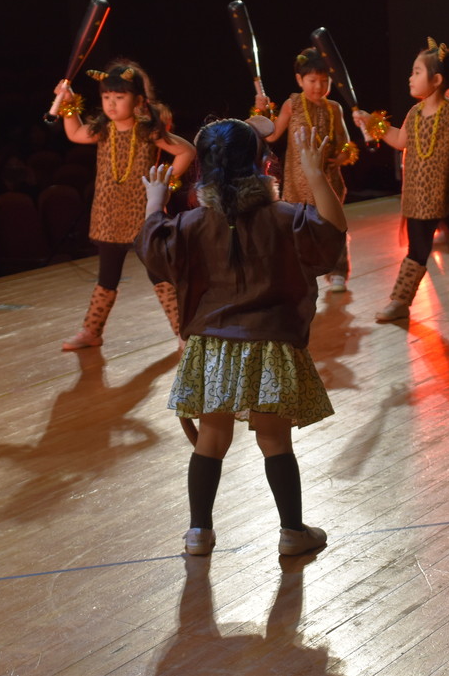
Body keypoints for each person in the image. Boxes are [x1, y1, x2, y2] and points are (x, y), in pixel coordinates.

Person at [135, 120, 345, 557]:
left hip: (212, 346)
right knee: (275, 441)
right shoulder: (284, 217)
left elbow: (153, 249)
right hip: (269, 344)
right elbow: (331, 234)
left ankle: (198, 533)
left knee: (211, 439)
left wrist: (155, 202)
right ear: (260, 163)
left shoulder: (193, 222)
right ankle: (292, 532)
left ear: (203, 168)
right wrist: (315, 173)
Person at [51, 60, 195, 350]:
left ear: (138, 100)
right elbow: (74, 133)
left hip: (143, 214)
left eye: (119, 97)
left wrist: (166, 184)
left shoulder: (147, 131)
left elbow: (186, 151)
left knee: (158, 274)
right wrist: (68, 104)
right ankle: (92, 331)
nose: (111, 104)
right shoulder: (103, 130)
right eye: (106, 97)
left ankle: (183, 332)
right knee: (107, 277)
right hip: (109, 214)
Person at [353, 40, 449, 325]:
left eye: (417, 72)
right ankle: (400, 302)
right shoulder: (414, 113)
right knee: (416, 253)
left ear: (436, 80)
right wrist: (372, 122)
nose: (410, 77)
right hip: (420, 197)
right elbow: (399, 140)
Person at [256, 47, 356, 292]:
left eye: (324, 81)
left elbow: (345, 141)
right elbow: (272, 135)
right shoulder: (292, 104)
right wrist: (260, 111)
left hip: (327, 180)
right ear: (300, 80)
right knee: (295, 230)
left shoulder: (334, 108)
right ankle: (297, 274)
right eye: (312, 81)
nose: (318, 87)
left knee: (333, 226)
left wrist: (343, 155)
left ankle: (338, 271)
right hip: (297, 182)